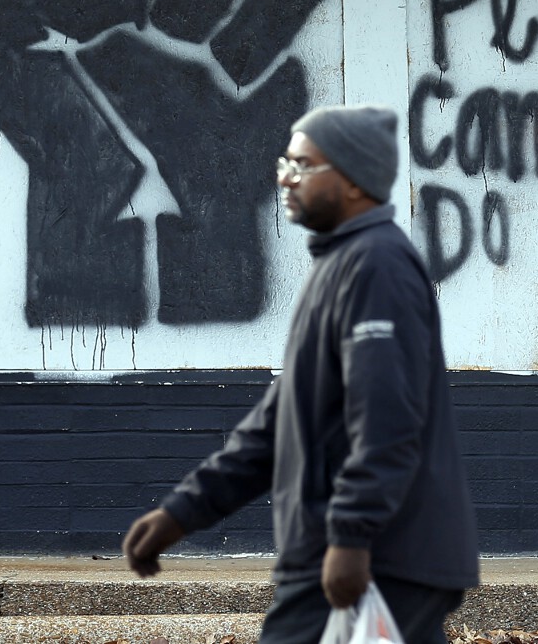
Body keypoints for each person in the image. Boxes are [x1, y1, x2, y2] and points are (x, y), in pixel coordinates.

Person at [123, 104, 479, 644]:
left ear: (355, 180)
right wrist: (181, 513)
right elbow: (275, 427)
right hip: (344, 554)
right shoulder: (338, 267)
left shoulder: (375, 266)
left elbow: (386, 417)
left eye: (304, 165)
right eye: (285, 162)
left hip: (377, 557)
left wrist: (352, 536)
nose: (284, 176)